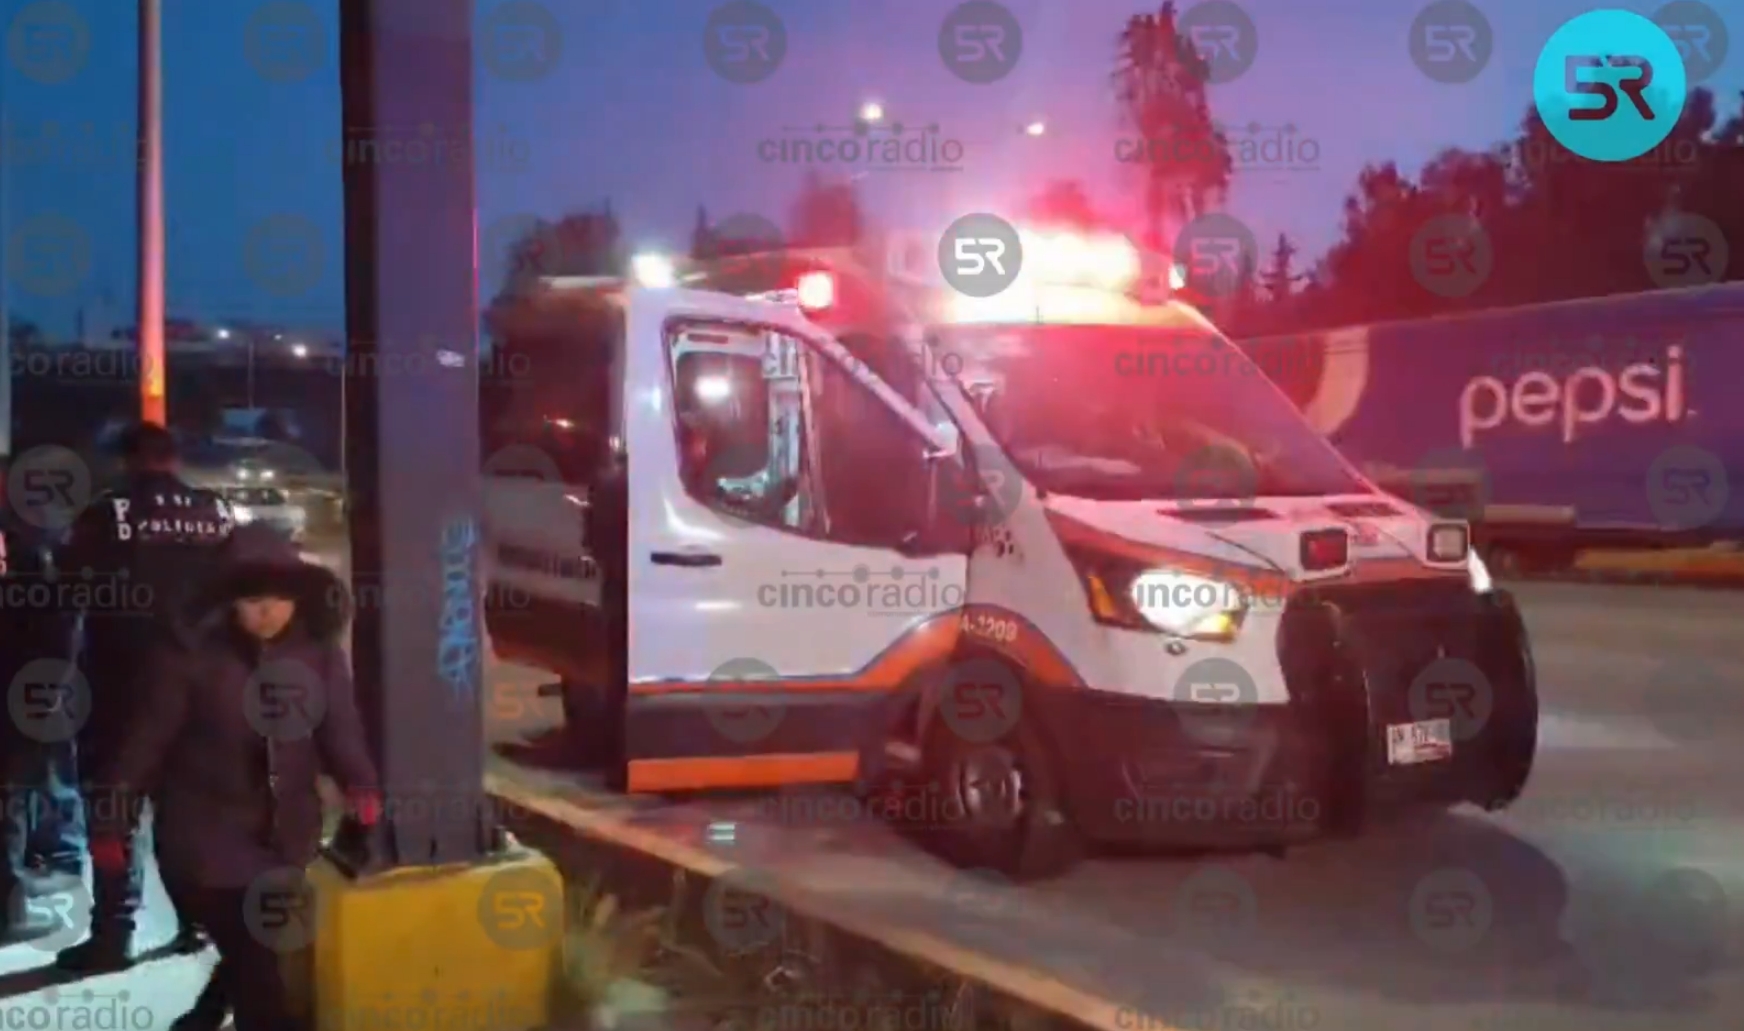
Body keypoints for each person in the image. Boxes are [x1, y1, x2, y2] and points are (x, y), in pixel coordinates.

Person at [89, 522, 382, 1031]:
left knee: (259, 948)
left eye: (278, 595)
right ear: (228, 599)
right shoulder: (188, 657)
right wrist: (112, 820)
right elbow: (144, 744)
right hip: (205, 843)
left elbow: (340, 732)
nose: (266, 609)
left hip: (286, 839)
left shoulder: (318, 656)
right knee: (262, 983)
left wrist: (362, 787)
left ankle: (203, 1016)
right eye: (250, 597)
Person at [55, 423, 234, 971]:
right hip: (201, 689)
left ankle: (113, 937)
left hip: (123, 688)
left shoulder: (108, 514)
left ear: (128, 462)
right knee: (188, 815)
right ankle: (198, 924)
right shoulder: (217, 512)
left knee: (114, 811)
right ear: (174, 458)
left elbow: (68, 590)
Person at [0, 456, 81, 936]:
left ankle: (41, 870)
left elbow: (57, 619)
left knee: (23, 789)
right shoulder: (33, 537)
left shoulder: (35, 541)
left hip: (25, 687)